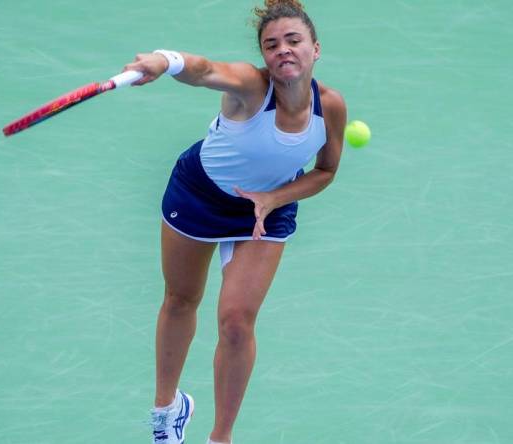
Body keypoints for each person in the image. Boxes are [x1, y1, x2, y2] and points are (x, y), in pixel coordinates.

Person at [120, 1, 346, 443]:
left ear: (315, 49)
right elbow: (204, 71)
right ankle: (167, 410)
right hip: (200, 193)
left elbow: (325, 171)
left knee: (237, 321)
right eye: (272, 44)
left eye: (294, 40)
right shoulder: (249, 85)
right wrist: (166, 61)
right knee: (181, 299)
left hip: (268, 207)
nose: (283, 50)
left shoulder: (330, 107)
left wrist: (273, 198)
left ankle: (220, 437)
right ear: (263, 56)